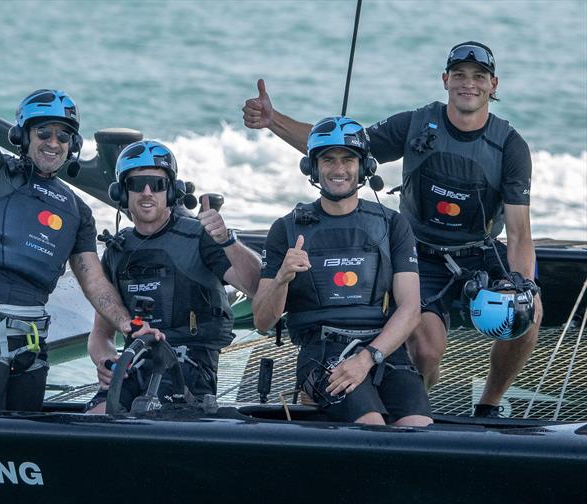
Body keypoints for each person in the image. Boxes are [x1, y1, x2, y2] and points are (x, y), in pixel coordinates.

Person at [242, 41, 542, 417]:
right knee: (426, 347)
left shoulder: (510, 145)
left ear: (493, 84)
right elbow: (340, 148)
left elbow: (518, 234)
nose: (469, 84)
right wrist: (274, 120)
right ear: (445, 79)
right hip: (419, 251)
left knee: (528, 313)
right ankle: (415, 402)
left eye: (479, 77)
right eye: (460, 75)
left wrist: (521, 283)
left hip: (479, 251)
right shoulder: (415, 123)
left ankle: (489, 404)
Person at [0, 25, 159, 411]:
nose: (53, 143)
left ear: (73, 146)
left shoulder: (76, 210)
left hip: (32, 346)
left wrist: (127, 324)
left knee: (23, 452)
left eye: (63, 136)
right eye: (44, 132)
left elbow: (94, 281)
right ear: (24, 137)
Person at [252, 117, 431, 426]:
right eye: (328, 160)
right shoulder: (286, 228)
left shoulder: (392, 224)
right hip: (321, 355)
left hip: (382, 352)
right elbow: (262, 321)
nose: (338, 169)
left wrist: (367, 358)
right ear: (312, 168)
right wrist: (281, 277)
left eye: (348, 159)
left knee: (419, 431)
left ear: (365, 167)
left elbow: (411, 309)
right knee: (371, 426)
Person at [86, 140, 261, 413]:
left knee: (149, 415)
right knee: (93, 417)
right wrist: (108, 361)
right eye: (137, 183)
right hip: (137, 364)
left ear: (170, 191)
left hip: (189, 370)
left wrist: (228, 241)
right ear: (122, 192)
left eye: (156, 185)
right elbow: (100, 334)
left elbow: (255, 287)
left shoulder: (201, 238)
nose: (147, 192)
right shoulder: (116, 251)